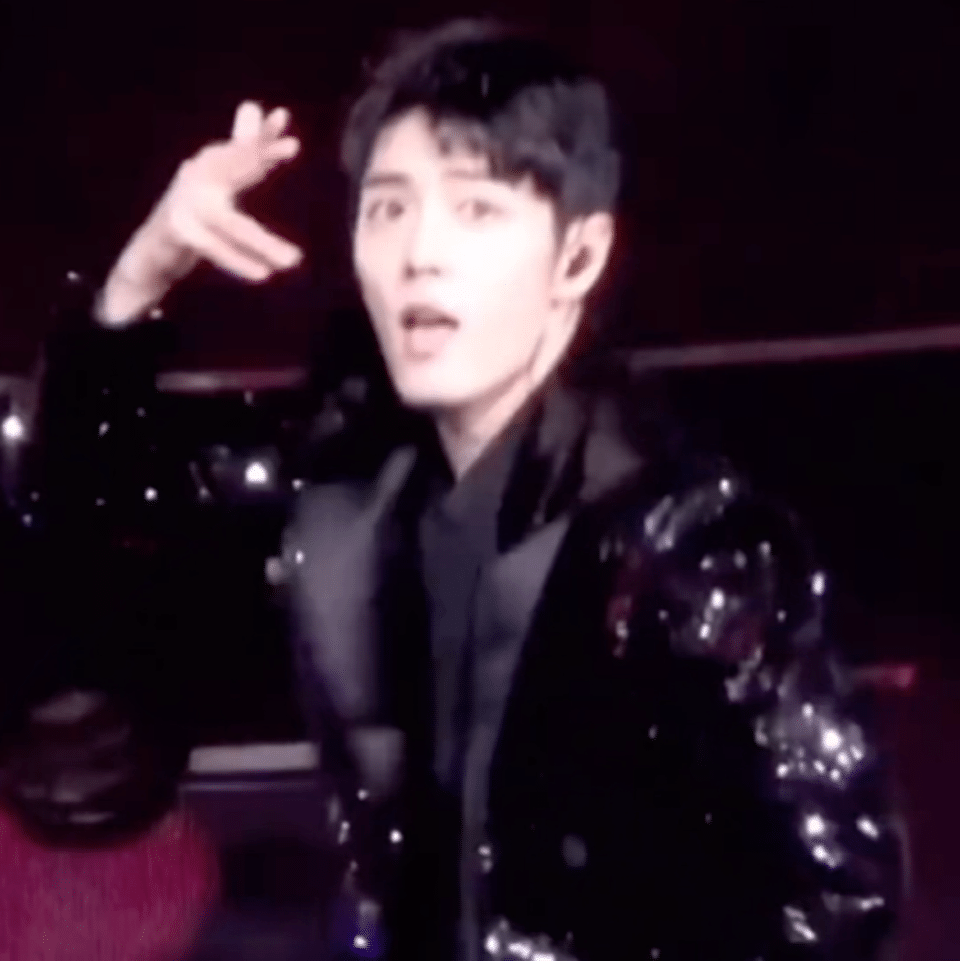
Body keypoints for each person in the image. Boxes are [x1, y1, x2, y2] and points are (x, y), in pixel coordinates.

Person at [90, 17, 902, 961]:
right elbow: (98, 514)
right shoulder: (354, 491)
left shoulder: (689, 542)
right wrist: (143, 273)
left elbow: (839, 891)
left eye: (476, 208)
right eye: (388, 209)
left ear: (579, 257)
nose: (419, 253)